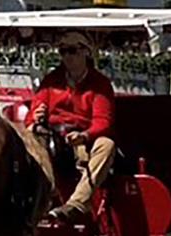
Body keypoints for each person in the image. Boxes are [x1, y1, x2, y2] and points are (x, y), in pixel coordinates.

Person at [27, 31, 116, 221]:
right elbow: (30, 117)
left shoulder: (100, 84)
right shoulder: (51, 81)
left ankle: (76, 204)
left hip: (82, 139)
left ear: (86, 52)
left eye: (72, 50)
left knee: (106, 145)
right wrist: (36, 116)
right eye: (63, 51)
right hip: (52, 136)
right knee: (28, 137)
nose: (67, 56)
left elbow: (103, 122)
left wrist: (83, 135)